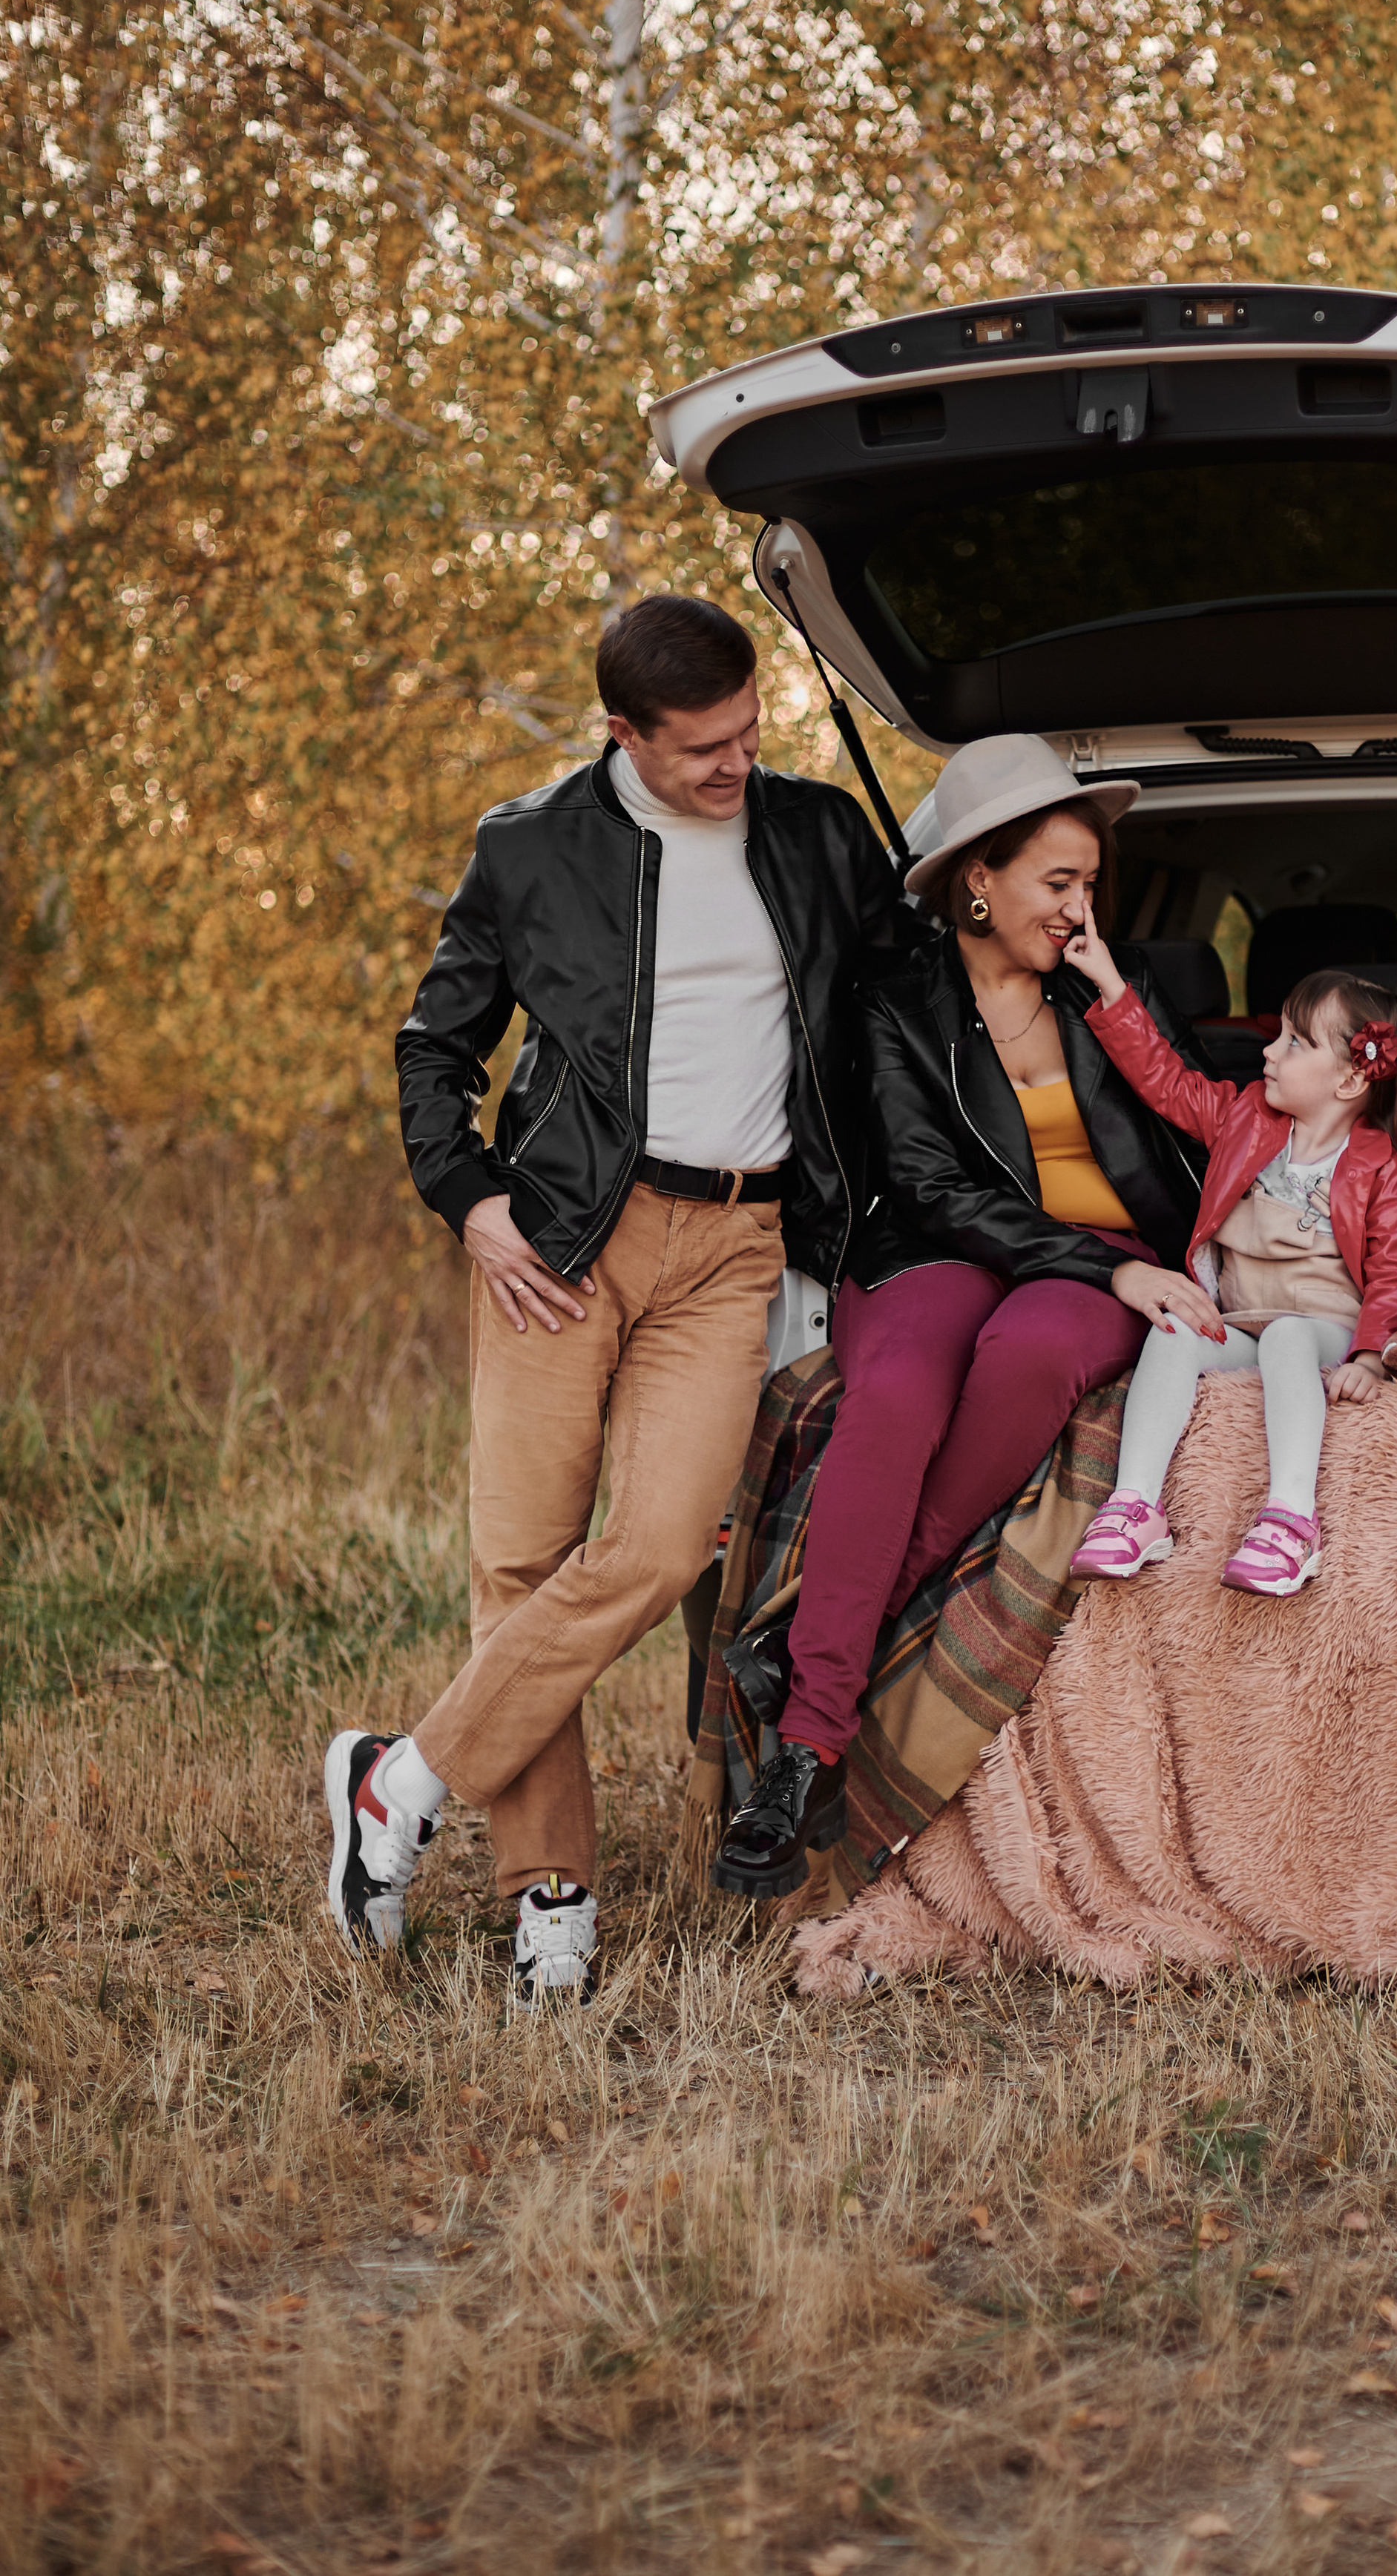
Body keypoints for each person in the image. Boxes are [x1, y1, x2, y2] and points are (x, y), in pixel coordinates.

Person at [325, 591, 918, 2003]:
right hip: (564, 1241)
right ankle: (554, 1903)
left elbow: (904, 1007)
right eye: (704, 748)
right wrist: (470, 1203)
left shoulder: (818, 834)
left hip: (737, 1246)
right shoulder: (532, 847)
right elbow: (436, 1048)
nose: (737, 765)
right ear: (623, 735)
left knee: (660, 1550)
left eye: (748, 732)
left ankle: (398, 1778)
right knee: (524, 1565)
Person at [715, 734, 1217, 1891]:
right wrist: (1099, 1269)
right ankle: (803, 1762)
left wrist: (1112, 998)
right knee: (893, 1393)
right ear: (977, 881)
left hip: (1096, 1263)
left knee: (1031, 1355)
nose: (1081, 905)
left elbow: (1203, 1128)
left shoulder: (1116, 988)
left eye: (1092, 882)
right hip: (933, 1245)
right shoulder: (896, 1003)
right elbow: (934, 1185)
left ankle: (799, 1674)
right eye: (1059, 881)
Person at [1062, 930, 1397, 1595]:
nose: (1269, 1051)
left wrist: (1372, 1355)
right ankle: (1135, 1506)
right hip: (1242, 1319)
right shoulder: (1245, 1119)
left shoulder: (1380, 1166)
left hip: (1321, 1326)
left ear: (1351, 1077)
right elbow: (1165, 1082)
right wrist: (1112, 984)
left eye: (1294, 1042)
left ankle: (1291, 1520)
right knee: (1172, 1329)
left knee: (1289, 1336)